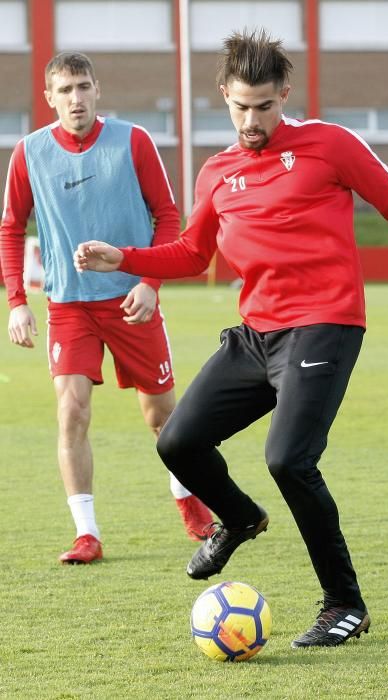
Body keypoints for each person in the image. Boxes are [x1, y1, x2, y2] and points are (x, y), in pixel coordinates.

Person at [73, 30, 388, 646]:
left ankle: (345, 604)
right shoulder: (218, 173)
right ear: (223, 96)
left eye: (264, 107)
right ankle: (240, 518)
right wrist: (122, 256)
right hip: (257, 334)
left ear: (284, 95)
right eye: (239, 107)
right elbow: (192, 252)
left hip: (326, 324)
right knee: (178, 442)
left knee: (288, 459)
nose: (251, 120)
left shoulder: (329, 144)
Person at [0, 51, 214, 565]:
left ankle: (188, 498)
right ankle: (87, 533)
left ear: (98, 91)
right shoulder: (28, 154)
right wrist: (16, 302)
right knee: (70, 411)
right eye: (65, 90)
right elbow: (11, 228)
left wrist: (150, 282)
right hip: (69, 306)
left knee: (162, 418)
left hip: (131, 301)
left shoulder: (133, 141)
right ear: (49, 98)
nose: (76, 98)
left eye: (84, 87)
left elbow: (167, 217)